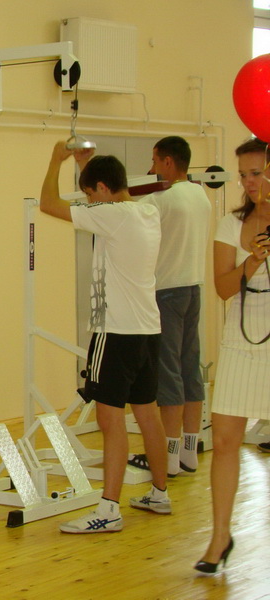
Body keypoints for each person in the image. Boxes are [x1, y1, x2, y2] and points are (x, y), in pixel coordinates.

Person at [39, 141, 170, 534]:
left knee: (109, 419)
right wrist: (87, 164)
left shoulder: (112, 216)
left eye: (89, 194)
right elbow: (105, 194)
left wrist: (56, 159)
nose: (88, 203)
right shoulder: (146, 212)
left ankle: (109, 510)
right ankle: (159, 493)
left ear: (101, 188)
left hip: (115, 332)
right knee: (147, 414)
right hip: (147, 331)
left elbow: (48, 203)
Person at [197, 138, 270, 572]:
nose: (248, 182)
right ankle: (220, 536)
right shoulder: (230, 223)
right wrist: (252, 261)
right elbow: (223, 288)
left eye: (256, 172)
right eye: (243, 174)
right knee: (224, 439)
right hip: (241, 339)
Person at [127, 137, 211, 477]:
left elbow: (125, 212)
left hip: (167, 292)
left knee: (169, 372)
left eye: (154, 161)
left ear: (167, 162)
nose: (151, 168)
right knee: (190, 367)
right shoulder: (200, 195)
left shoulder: (161, 199)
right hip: (193, 288)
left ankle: (169, 456)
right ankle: (189, 451)